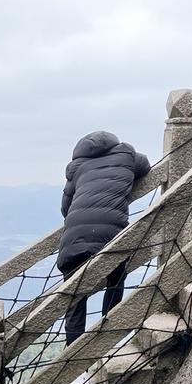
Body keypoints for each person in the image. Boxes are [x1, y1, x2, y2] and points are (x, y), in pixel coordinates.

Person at [57, 131, 150, 346]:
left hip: (73, 241)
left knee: (74, 300)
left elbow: (65, 208)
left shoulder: (77, 168)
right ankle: (106, 340)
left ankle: (73, 358)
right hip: (111, 238)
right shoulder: (126, 155)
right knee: (115, 280)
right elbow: (145, 166)